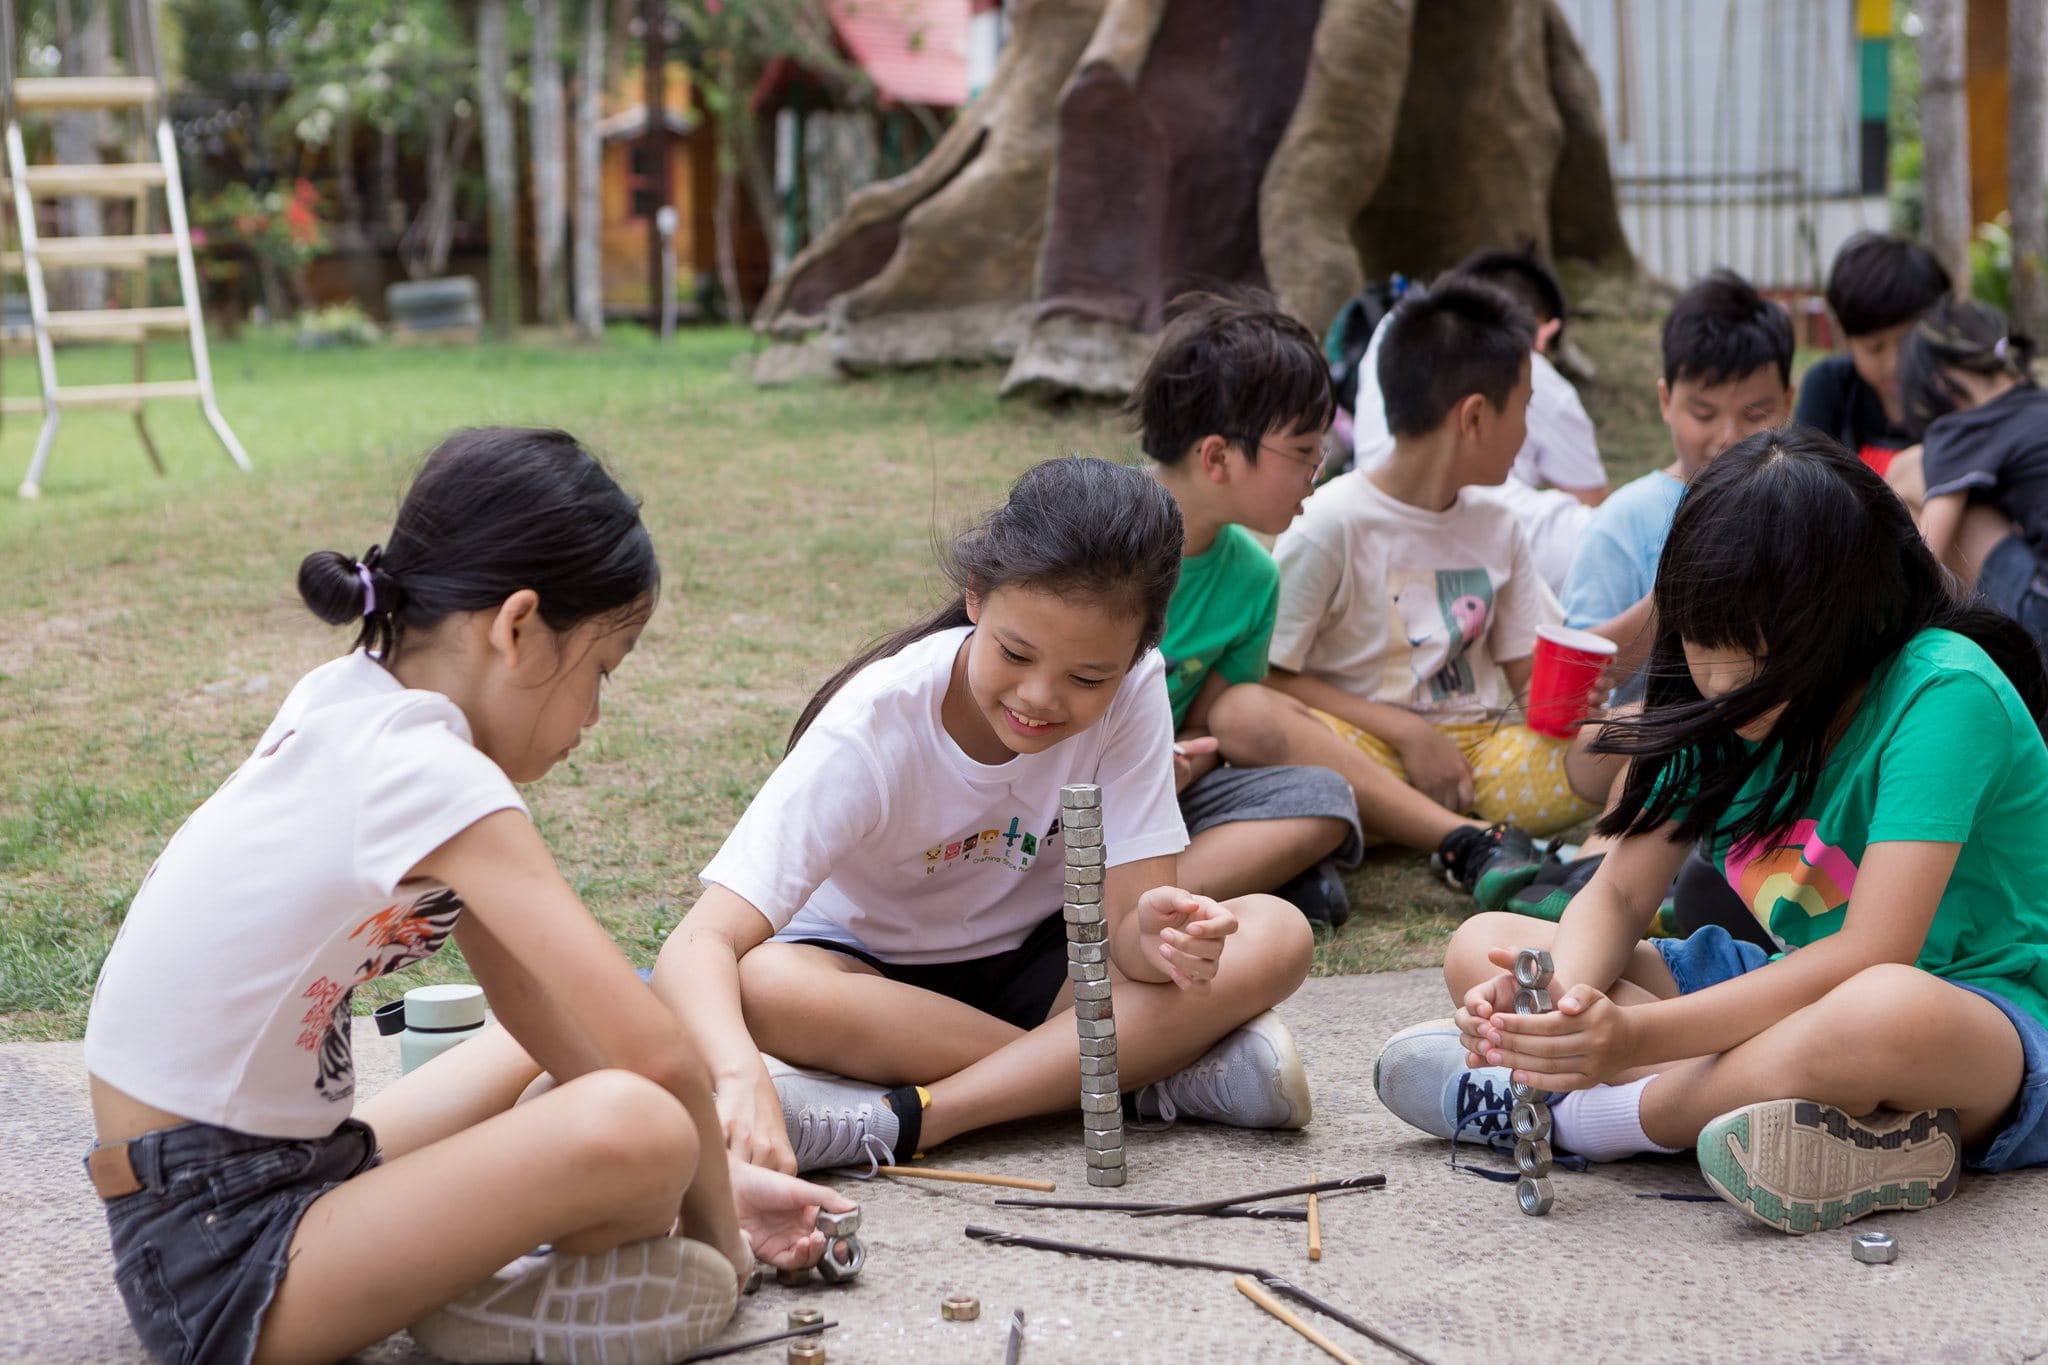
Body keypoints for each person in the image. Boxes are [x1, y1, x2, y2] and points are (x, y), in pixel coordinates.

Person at [81, 429, 851, 1365]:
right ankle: (490, 1308)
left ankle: (483, 1267)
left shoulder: (354, 701)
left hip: (236, 1184)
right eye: (602, 670)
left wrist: (715, 1175)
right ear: (518, 626)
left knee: (554, 1073)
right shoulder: (433, 774)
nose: (594, 718)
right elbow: (661, 1065)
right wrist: (724, 1249)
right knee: (639, 1123)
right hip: (227, 1260)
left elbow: (540, 1013)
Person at [1376, 428, 2048, 1234]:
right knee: (1486, 944)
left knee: (1881, 1009)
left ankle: (1584, 1120)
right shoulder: (1722, 706)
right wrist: (1562, 1004)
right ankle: (1846, 1136)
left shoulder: (1943, 691)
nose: (1725, 683)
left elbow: (1873, 951)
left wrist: (1631, 1040)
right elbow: (1621, 890)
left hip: (1992, 1020)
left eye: (1759, 657)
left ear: (1848, 618)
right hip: (1797, 992)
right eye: (1704, 644)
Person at [655, 457, 1316, 1177]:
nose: (1039, 697)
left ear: (1138, 652)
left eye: (1087, 677)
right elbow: (697, 944)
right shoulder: (876, 723)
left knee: (1277, 933)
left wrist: (1155, 933)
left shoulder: (1135, 691)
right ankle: (1145, 1076)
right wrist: (739, 1075)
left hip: (1042, 962)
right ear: (975, 596)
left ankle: (912, 1116)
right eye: (1015, 652)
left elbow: (1127, 942)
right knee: (769, 984)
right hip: (874, 979)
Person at [1264, 277, 1626, 909]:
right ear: (1476, 417)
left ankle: (1591, 878)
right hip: (1359, 759)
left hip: (1481, 767)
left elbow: (1525, 685)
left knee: (1645, 735)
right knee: (1268, 726)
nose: (1526, 432)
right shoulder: (1330, 523)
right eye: (1525, 408)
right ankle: (1442, 839)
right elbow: (1270, 679)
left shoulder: (1497, 525)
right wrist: (1406, 733)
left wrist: (1578, 697)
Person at [1127, 291, 1366, 928]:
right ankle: (1141, 895)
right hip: (1050, 783)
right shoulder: (1092, 541)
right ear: (1217, 457)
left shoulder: (1254, 577)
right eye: (1303, 454)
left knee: (1323, 799)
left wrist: (1183, 762)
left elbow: (1212, 726)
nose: (1316, 474)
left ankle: (1134, 895)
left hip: (1162, 793)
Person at [1562, 270, 1795, 703]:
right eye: (1704, 415)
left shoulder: (1803, 505)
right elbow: (1577, 672)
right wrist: (1678, 595)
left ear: (1788, 401)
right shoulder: (1625, 521)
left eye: (1755, 413)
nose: (1727, 437)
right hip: (1656, 740)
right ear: (1666, 401)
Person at [1352, 248, 1609, 594]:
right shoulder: (1510, 532)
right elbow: (1598, 509)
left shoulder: (1396, 332)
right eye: (1525, 409)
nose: (1523, 432)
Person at [1895, 295, 2048, 644]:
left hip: (2042, 618)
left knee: (1911, 468)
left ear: (1940, 385)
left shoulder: (1964, 427)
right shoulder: (2039, 405)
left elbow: (1929, 552)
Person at [1795, 230, 1952, 476]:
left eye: (1909, 343)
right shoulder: (1829, 387)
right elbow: (1802, 478)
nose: (1895, 364)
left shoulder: (1960, 390)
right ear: (1847, 341)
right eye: (1874, 348)